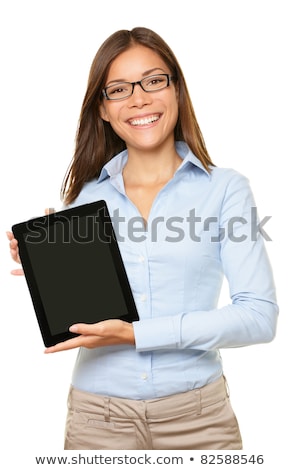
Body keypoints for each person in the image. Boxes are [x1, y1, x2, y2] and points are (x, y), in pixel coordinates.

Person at [7, 27, 278, 450]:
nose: (139, 99)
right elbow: (84, 316)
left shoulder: (225, 189)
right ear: (103, 109)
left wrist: (137, 333)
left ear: (176, 90)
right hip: (98, 421)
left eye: (153, 81)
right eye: (119, 89)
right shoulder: (83, 197)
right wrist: (52, 274)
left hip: (199, 421)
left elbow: (258, 318)